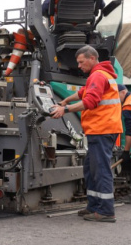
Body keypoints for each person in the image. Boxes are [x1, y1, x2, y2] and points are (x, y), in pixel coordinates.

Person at [49, 45, 123, 222]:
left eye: (81, 62)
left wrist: (64, 109)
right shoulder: (101, 75)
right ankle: (94, 206)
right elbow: (83, 93)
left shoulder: (97, 75)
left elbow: (90, 101)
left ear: (92, 58)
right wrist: (65, 99)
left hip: (102, 129)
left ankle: (106, 211)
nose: (79, 66)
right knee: (91, 169)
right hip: (102, 129)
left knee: (101, 170)